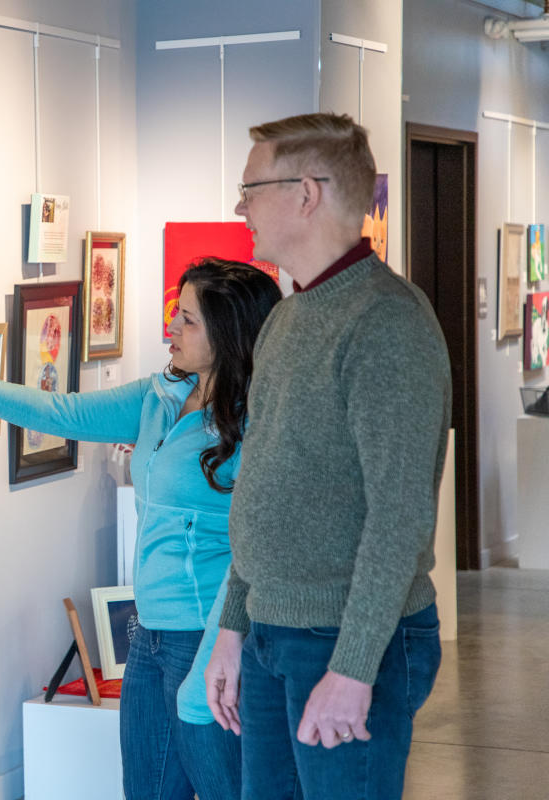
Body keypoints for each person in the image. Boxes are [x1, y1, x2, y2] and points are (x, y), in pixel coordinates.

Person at [0, 260, 281, 800]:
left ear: (229, 334)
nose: (171, 325)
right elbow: (60, 411)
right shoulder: (158, 397)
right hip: (152, 638)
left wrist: (218, 652)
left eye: (187, 319)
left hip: (210, 640)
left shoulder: (258, 421)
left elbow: (253, 557)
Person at [203, 112, 452, 799]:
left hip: (344, 639)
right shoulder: (287, 317)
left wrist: (353, 666)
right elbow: (265, 490)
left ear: (306, 193)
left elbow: (399, 517)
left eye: (251, 188)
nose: (239, 205)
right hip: (272, 635)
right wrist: (232, 629)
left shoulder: (386, 322)